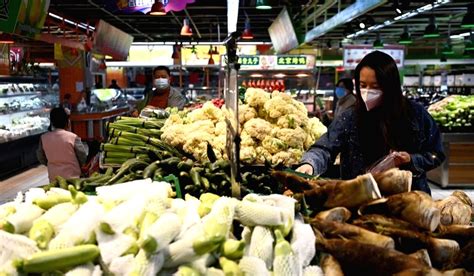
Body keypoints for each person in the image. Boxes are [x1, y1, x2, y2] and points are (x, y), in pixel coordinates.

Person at [296, 51, 445, 195]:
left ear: (390, 86)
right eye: (362, 85)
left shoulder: (416, 115)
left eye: (375, 86)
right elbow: (325, 148)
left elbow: (436, 154)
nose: (367, 92)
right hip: (360, 199)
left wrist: (412, 159)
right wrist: (310, 164)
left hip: (409, 202)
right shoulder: (350, 117)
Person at [37, 107, 88, 182]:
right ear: (67, 121)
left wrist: (51, 164)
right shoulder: (73, 137)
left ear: (52, 122)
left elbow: (41, 157)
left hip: (54, 177)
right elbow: (82, 156)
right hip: (73, 177)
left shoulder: (44, 138)